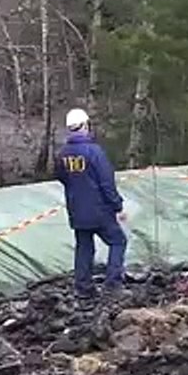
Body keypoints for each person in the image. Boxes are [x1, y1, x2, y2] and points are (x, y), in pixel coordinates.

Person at [55, 108, 127, 297]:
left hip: (77, 210)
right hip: (100, 210)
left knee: (84, 247)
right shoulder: (95, 152)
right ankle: (113, 285)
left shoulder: (63, 154)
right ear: (86, 125)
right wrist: (117, 206)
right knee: (118, 241)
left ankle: (83, 288)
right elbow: (107, 182)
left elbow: (62, 177)